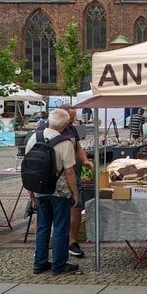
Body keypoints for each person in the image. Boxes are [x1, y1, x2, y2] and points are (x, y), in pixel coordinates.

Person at [26, 108, 80, 275]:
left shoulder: (35, 137)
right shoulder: (65, 143)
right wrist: (75, 193)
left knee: (42, 227)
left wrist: (30, 189)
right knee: (60, 228)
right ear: (64, 125)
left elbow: (28, 166)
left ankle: (40, 262)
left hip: (40, 190)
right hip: (60, 191)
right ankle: (59, 265)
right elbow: (69, 171)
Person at [58, 103, 93, 259]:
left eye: (74, 117)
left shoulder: (72, 129)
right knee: (54, 208)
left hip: (75, 172)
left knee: (77, 206)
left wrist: (85, 160)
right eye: (71, 118)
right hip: (59, 175)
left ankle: (73, 241)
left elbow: (78, 147)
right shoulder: (52, 128)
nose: (73, 120)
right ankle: (52, 241)